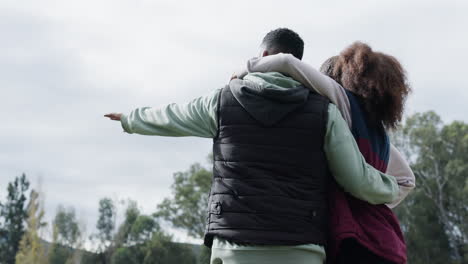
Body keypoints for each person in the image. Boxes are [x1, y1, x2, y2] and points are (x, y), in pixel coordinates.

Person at [105, 28, 401, 264]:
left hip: (234, 247)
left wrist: (131, 119)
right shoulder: (325, 113)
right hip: (301, 249)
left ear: (262, 55)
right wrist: (391, 187)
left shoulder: (221, 101)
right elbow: (358, 180)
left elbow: (173, 115)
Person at [237, 42, 415, 264]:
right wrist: (375, 197)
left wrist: (242, 73)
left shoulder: (341, 102)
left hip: (354, 242)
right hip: (387, 242)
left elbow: (286, 62)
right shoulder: (381, 136)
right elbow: (407, 180)